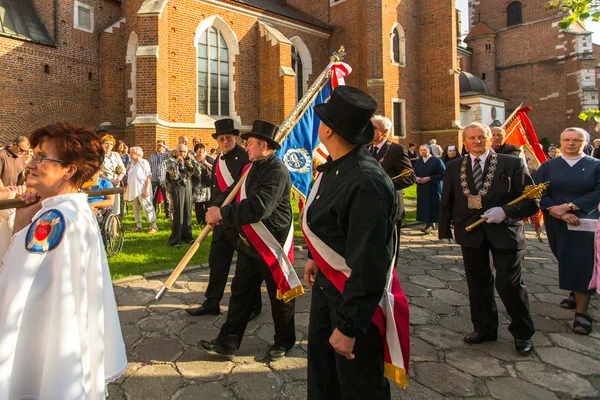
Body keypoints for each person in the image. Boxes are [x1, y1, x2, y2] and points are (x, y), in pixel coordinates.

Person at [0, 122, 126, 399]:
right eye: (31, 156)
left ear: (69, 170)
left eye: (40, 158)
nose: (30, 164)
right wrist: (27, 212)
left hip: (44, 346)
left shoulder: (55, 219)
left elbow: (13, 282)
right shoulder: (73, 207)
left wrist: (19, 218)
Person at [302, 85, 409, 399]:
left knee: (358, 386)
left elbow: (370, 262)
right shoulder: (336, 167)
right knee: (324, 379)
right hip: (328, 288)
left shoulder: (365, 181)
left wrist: (349, 327)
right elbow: (332, 226)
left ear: (329, 130)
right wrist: (314, 256)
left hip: (354, 304)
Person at [200, 120, 298, 361]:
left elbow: (259, 207)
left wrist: (223, 215)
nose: (247, 147)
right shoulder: (251, 166)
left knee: (280, 296)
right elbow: (232, 191)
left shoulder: (276, 171)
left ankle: (284, 341)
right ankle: (228, 342)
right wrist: (216, 206)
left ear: (264, 146)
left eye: (250, 143)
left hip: (271, 244)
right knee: (241, 292)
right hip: (250, 241)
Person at [439, 122, 538, 355]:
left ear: (490, 139)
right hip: (471, 233)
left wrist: (506, 212)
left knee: (509, 284)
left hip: (505, 233)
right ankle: (484, 328)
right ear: (464, 141)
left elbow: (532, 200)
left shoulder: (512, 163)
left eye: (482, 137)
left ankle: (523, 333)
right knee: (477, 283)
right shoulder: (454, 166)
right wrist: (444, 230)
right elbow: (447, 200)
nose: (477, 141)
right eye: (471, 138)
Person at [186, 118, 261, 318]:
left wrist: (218, 209)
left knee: (247, 268)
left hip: (236, 218)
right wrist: (212, 211)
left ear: (235, 138)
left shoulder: (244, 158)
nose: (225, 141)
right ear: (217, 141)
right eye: (221, 139)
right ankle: (212, 303)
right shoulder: (217, 160)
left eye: (228, 137)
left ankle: (254, 306)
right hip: (220, 221)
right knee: (217, 263)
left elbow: (236, 187)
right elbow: (215, 189)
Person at [535, 127, 600, 335]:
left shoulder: (595, 166)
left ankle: (582, 313)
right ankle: (575, 292)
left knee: (582, 262)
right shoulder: (548, 166)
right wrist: (561, 213)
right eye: (566, 139)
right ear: (560, 141)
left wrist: (571, 207)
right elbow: (538, 192)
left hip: (583, 221)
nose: (570, 143)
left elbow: (598, 191)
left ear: (585, 142)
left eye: (576, 140)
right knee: (563, 256)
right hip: (556, 220)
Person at [368, 115, 415, 249]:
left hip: (389, 205)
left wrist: (384, 185)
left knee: (388, 246)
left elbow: (409, 176)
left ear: (385, 131)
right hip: (369, 205)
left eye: (373, 128)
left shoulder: (396, 149)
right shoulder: (366, 149)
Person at [166, 144, 201, 248]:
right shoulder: (171, 161)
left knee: (187, 211)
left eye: (184, 152)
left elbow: (197, 172)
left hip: (188, 187)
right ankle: (175, 240)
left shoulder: (188, 160)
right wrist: (178, 162)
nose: (182, 153)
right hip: (177, 187)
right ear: (176, 152)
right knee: (179, 212)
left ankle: (187, 237)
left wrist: (193, 160)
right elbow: (174, 175)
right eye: (180, 151)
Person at [126, 146, 159, 234]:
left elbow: (148, 176)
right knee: (135, 208)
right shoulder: (132, 164)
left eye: (132, 152)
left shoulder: (144, 162)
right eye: (130, 152)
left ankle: (154, 226)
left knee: (147, 207)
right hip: (133, 189)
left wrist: (146, 189)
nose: (130, 154)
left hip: (142, 189)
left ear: (138, 154)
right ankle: (138, 225)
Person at [414, 144, 445, 233]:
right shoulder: (419, 161)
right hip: (422, 187)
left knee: (433, 204)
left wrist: (429, 178)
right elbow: (414, 172)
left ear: (429, 150)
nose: (423, 152)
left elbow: (443, 174)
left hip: (433, 187)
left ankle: (431, 223)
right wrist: (416, 178)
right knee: (424, 204)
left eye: (424, 150)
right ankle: (427, 222)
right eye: (421, 150)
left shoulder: (436, 161)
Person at [100, 134, 125, 215]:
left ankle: (114, 226)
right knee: (106, 205)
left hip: (115, 182)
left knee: (115, 207)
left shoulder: (116, 155)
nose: (109, 146)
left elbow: (123, 169)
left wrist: (117, 180)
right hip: (104, 182)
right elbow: (98, 172)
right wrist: (109, 180)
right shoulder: (99, 155)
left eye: (111, 144)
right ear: (102, 144)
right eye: (107, 143)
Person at [191, 143, 214, 225]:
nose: (200, 150)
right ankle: (200, 221)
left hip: (207, 185)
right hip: (197, 185)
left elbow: (214, 168)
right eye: (198, 148)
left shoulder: (209, 158)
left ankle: (207, 220)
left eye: (202, 148)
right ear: (195, 151)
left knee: (207, 203)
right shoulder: (193, 160)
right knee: (198, 204)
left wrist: (206, 163)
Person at [149, 140, 171, 218]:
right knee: (153, 198)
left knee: (166, 198)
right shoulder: (152, 156)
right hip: (154, 180)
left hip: (164, 179)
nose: (158, 147)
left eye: (160, 145)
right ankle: (152, 214)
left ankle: (167, 214)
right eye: (157, 145)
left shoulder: (166, 155)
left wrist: (165, 147)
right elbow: (149, 168)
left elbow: (173, 152)